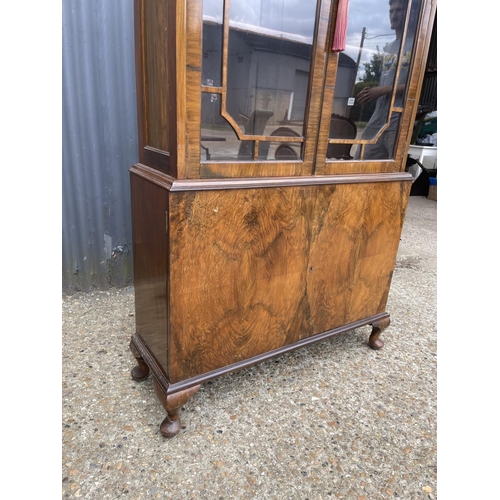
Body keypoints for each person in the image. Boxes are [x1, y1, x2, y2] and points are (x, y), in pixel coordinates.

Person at [355, 0, 414, 160]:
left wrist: (380, 91)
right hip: (379, 116)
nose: (394, 15)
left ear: (408, 13)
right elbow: (387, 81)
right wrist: (372, 91)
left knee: (392, 166)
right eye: (391, 11)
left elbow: (415, 84)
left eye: (399, 10)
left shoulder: (416, 45)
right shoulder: (388, 48)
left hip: (398, 118)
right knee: (360, 159)